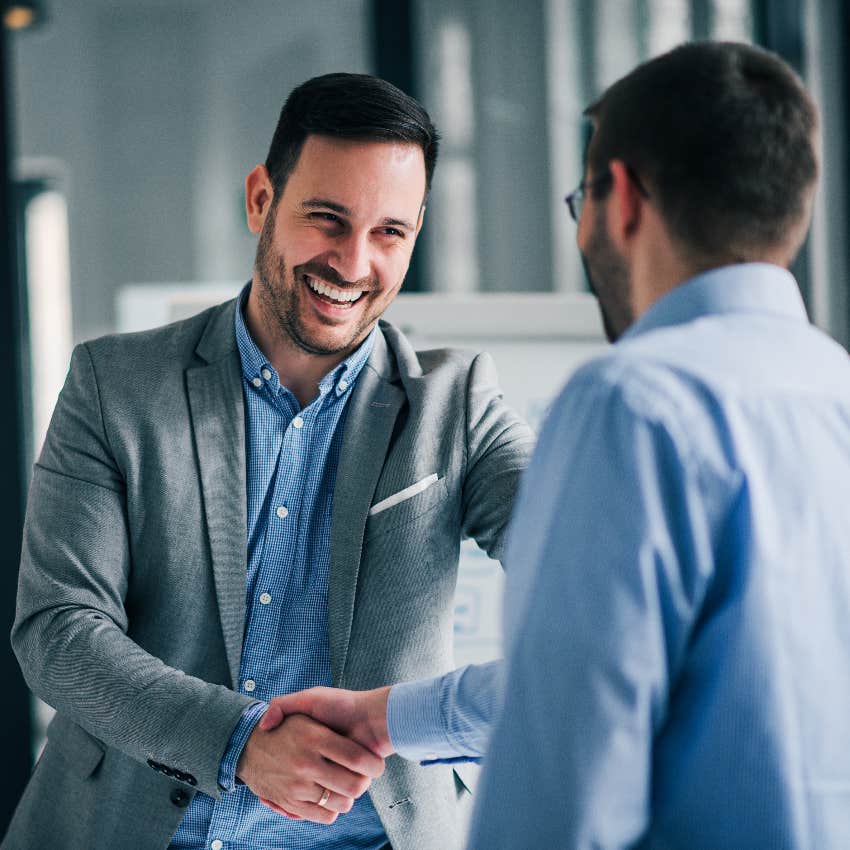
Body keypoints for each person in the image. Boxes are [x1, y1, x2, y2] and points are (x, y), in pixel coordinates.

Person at [265, 41, 850, 850]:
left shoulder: (633, 404)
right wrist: (387, 717)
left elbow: (565, 758)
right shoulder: (835, 391)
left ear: (620, 200)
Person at [4, 73, 533, 850]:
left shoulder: (458, 405)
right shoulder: (114, 386)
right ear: (261, 199)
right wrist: (240, 742)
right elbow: (58, 631)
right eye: (327, 219)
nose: (353, 263)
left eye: (390, 233)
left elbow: (593, 585)